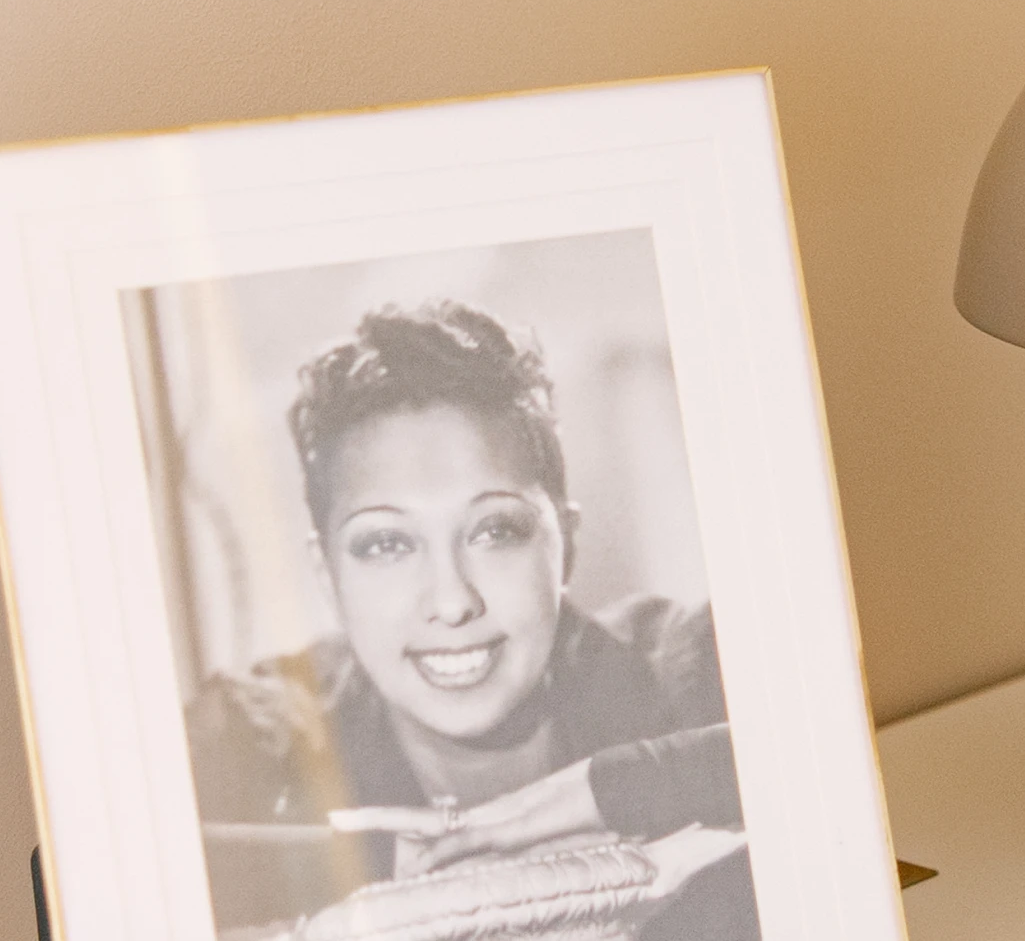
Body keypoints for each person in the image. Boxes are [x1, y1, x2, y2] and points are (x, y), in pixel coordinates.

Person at [183, 300, 756, 940]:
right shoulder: (261, 735)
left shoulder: (692, 673)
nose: (452, 602)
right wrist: (375, 859)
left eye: (494, 531)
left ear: (565, 542)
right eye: (387, 544)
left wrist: (603, 792)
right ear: (328, 575)